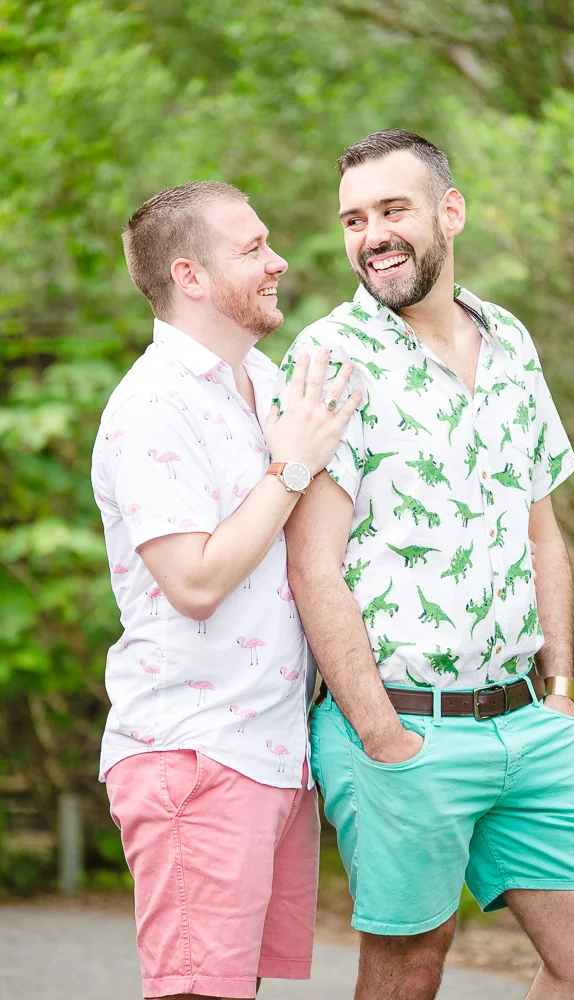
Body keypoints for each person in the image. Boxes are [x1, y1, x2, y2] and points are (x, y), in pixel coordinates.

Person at [278, 131, 574, 1000]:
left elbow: (542, 533)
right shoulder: (330, 358)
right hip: (405, 727)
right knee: (409, 969)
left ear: (451, 212)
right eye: (353, 219)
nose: (372, 235)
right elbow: (311, 567)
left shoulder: (510, 337)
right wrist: (382, 737)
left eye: (393, 210)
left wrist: (561, 691)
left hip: (528, 722)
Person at [91, 180, 360, 1000]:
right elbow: (196, 580)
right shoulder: (152, 405)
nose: (279, 261)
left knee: (230, 988)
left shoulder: (263, 382)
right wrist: (292, 467)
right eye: (252, 249)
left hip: (272, 754)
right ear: (191, 276)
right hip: (195, 752)